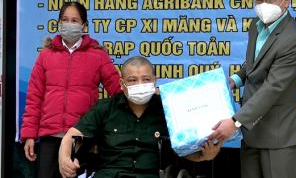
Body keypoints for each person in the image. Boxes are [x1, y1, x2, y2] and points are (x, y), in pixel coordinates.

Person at [209, 0, 296, 178]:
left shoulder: (293, 39)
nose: (264, 5)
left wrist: (235, 122)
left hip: (277, 132)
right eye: (259, 0)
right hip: (252, 128)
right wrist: (234, 81)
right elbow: (253, 64)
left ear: (286, 1)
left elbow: (273, 88)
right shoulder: (256, 27)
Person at [58, 56, 222, 178]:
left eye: (146, 79)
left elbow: (183, 149)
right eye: (132, 80)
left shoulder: (168, 109)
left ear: (154, 81)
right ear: (122, 84)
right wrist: (64, 159)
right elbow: (71, 136)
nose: (140, 85)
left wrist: (204, 156)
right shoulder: (106, 108)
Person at [20, 1, 122, 178]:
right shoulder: (45, 55)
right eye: (65, 19)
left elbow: (117, 90)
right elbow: (34, 98)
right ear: (59, 23)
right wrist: (29, 135)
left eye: (74, 20)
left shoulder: (98, 55)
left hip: (82, 137)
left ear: (84, 25)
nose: (69, 24)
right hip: (49, 137)